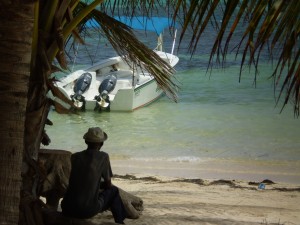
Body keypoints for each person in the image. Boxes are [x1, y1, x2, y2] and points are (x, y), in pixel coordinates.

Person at [61, 127, 127, 224]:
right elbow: (108, 185)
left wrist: (93, 184)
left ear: (86, 142)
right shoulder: (103, 157)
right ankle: (120, 221)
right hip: (87, 210)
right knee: (113, 191)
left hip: (67, 207)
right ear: (101, 143)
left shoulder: (75, 157)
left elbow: (79, 179)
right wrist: (96, 185)